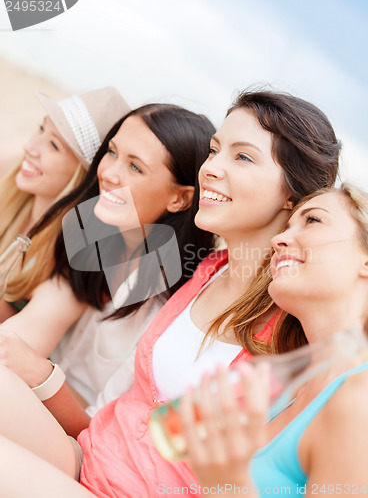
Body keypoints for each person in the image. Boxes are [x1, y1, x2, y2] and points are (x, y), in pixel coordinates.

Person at [0, 88, 341, 496]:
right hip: (85, 458)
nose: (211, 168)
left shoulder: (295, 321)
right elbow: (111, 407)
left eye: (243, 156)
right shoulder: (208, 271)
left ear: (292, 193)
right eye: (215, 151)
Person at [0, 103, 216, 435]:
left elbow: (100, 435)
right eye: (112, 152)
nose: (110, 172)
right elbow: (29, 326)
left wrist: (40, 373)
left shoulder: (169, 307)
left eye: (135, 167)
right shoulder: (90, 243)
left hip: (72, 447)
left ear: (181, 199)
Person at [179, 184, 368, 497]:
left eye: (313, 221)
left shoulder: (359, 402)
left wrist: (229, 485)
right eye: (289, 224)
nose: (278, 240)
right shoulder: (294, 385)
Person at [0, 87, 130, 321]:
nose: (30, 147)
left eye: (53, 145)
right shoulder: (12, 184)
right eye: (41, 128)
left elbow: (20, 337)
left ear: (81, 175)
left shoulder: (72, 258)